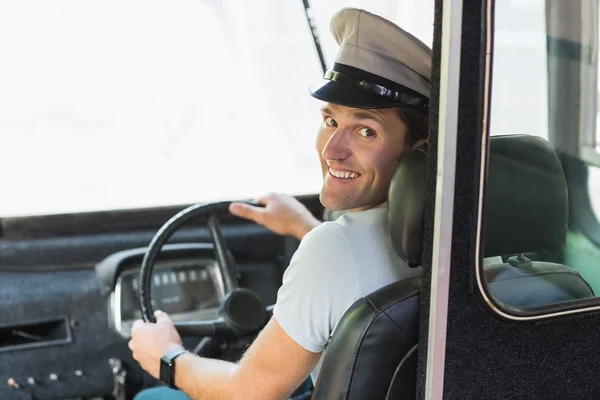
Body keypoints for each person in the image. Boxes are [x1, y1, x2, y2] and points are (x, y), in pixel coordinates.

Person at [128, 7, 431, 400]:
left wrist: (167, 356)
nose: (332, 149)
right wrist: (304, 226)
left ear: (418, 152)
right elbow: (359, 268)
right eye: (331, 120)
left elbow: (249, 392)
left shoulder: (332, 250)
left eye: (366, 130)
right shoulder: (469, 242)